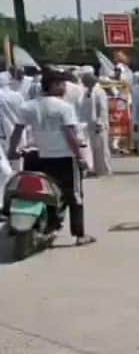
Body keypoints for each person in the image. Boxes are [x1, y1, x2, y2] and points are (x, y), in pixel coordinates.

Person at [6, 69, 94, 246]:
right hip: (63, 158)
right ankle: (79, 235)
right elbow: (70, 135)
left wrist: (12, 150)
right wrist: (80, 157)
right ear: (53, 85)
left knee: (42, 194)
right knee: (74, 196)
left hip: (38, 156)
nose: (64, 88)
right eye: (61, 84)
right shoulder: (64, 107)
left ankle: (50, 227)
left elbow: (17, 130)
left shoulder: (28, 106)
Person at [79, 73, 112, 177]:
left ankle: (104, 170)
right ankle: (94, 169)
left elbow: (102, 109)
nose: (83, 83)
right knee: (92, 148)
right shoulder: (86, 92)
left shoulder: (99, 92)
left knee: (102, 148)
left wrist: (99, 122)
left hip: (98, 125)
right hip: (88, 124)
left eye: (85, 81)